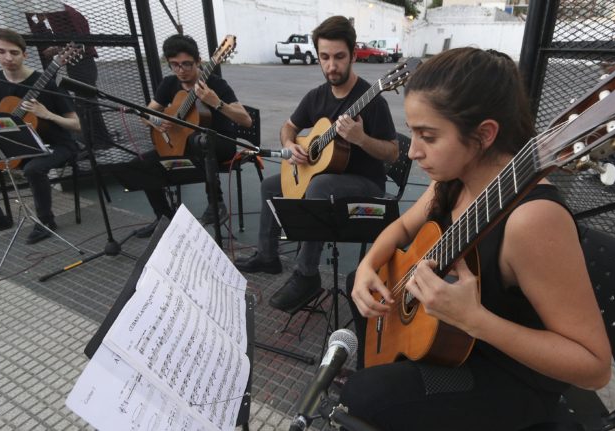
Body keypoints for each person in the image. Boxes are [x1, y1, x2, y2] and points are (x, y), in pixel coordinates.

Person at [341, 48, 612, 429]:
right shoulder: (450, 177)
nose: (413, 150)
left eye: (428, 136)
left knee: (363, 396)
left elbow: (594, 368)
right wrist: (369, 265)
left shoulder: (533, 219)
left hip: (506, 373)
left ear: (484, 134)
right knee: (357, 282)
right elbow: (402, 229)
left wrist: (474, 320)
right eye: (413, 131)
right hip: (454, 339)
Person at [233, 16, 398, 313]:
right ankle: (267, 256)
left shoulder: (372, 100)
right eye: (325, 57)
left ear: (352, 55)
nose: (331, 66)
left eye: (339, 57)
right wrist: (290, 145)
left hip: (366, 184)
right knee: (272, 184)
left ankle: (307, 275)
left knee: (320, 186)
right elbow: (288, 127)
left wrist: (361, 138)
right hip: (324, 177)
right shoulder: (316, 97)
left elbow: (393, 154)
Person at [125, 34, 252, 238]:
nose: (181, 70)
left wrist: (216, 102)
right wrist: (157, 121)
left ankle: (216, 203)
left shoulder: (216, 84)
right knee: (142, 164)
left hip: (220, 143)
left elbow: (246, 120)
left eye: (186, 64)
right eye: (174, 65)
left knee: (198, 140)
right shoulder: (168, 84)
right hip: (183, 145)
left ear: (199, 61)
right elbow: (146, 114)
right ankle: (164, 218)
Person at [0, 28, 81, 244]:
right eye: (1, 51)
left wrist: (47, 114)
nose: (8, 58)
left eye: (14, 52)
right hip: (11, 145)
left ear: (25, 54)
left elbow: (75, 124)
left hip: (55, 144)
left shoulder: (47, 83)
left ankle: (46, 221)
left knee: (34, 169)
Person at [24, 2, 114, 149]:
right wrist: (40, 23)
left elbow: (72, 40)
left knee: (85, 102)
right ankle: (98, 139)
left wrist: (55, 49)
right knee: (85, 101)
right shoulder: (64, 11)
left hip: (81, 61)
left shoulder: (58, 13)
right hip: (81, 61)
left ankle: (98, 140)